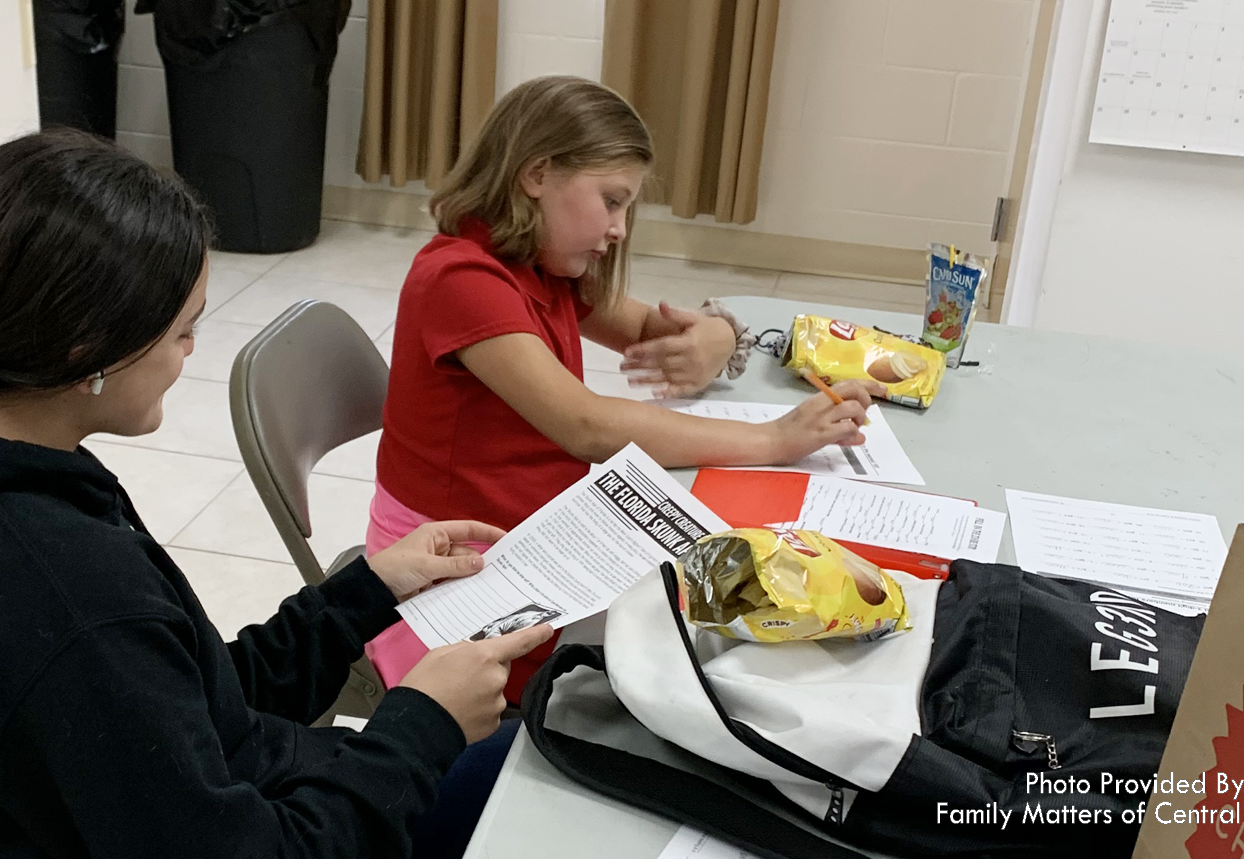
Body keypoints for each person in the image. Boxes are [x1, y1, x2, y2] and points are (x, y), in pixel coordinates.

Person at [0, 129, 552, 859]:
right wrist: (420, 726)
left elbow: (184, 704)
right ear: (89, 351)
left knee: (539, 758)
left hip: (247, 798)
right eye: (184, 331)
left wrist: (363, 592)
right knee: (560, 781)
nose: (192, 349)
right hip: (278, 828)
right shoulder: (62, 598)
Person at [365, 76, 881, 696]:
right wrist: (771, 439)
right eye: (611, 201)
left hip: (525, 537)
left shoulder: (542, 264)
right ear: (537, 174)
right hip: (449, 577)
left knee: (719, 618)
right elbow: (586, 425)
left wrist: (718, 334)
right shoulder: (460, 278)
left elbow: (647, 327)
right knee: (696, 654)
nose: (619, 228)